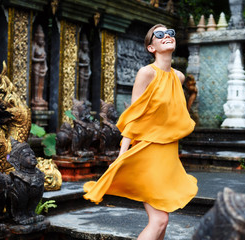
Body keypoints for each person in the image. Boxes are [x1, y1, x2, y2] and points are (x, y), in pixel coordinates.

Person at [83, 24, 198, 240]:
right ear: (150, 47)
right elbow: (134, 116)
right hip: (147, 152)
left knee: (163, 221)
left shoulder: (179, 77)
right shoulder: (146, 73)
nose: (167, 36)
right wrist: (122, 155)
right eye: (160, 35)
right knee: (159, 220)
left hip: (169, 154)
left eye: (170, 33)